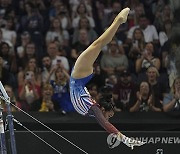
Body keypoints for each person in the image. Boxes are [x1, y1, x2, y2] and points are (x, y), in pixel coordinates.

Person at [69, 8, 144, 149]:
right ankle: (119, 21)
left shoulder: (94, 109)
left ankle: (119, 20)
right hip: (80, 78)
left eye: (109, 116)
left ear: (103, 110)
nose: (108, 118)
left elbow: (105, 124)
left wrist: (125, 139)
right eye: (110, 116)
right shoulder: (92, 108)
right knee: (99, 44)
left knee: (99, 43)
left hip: (78, 77)